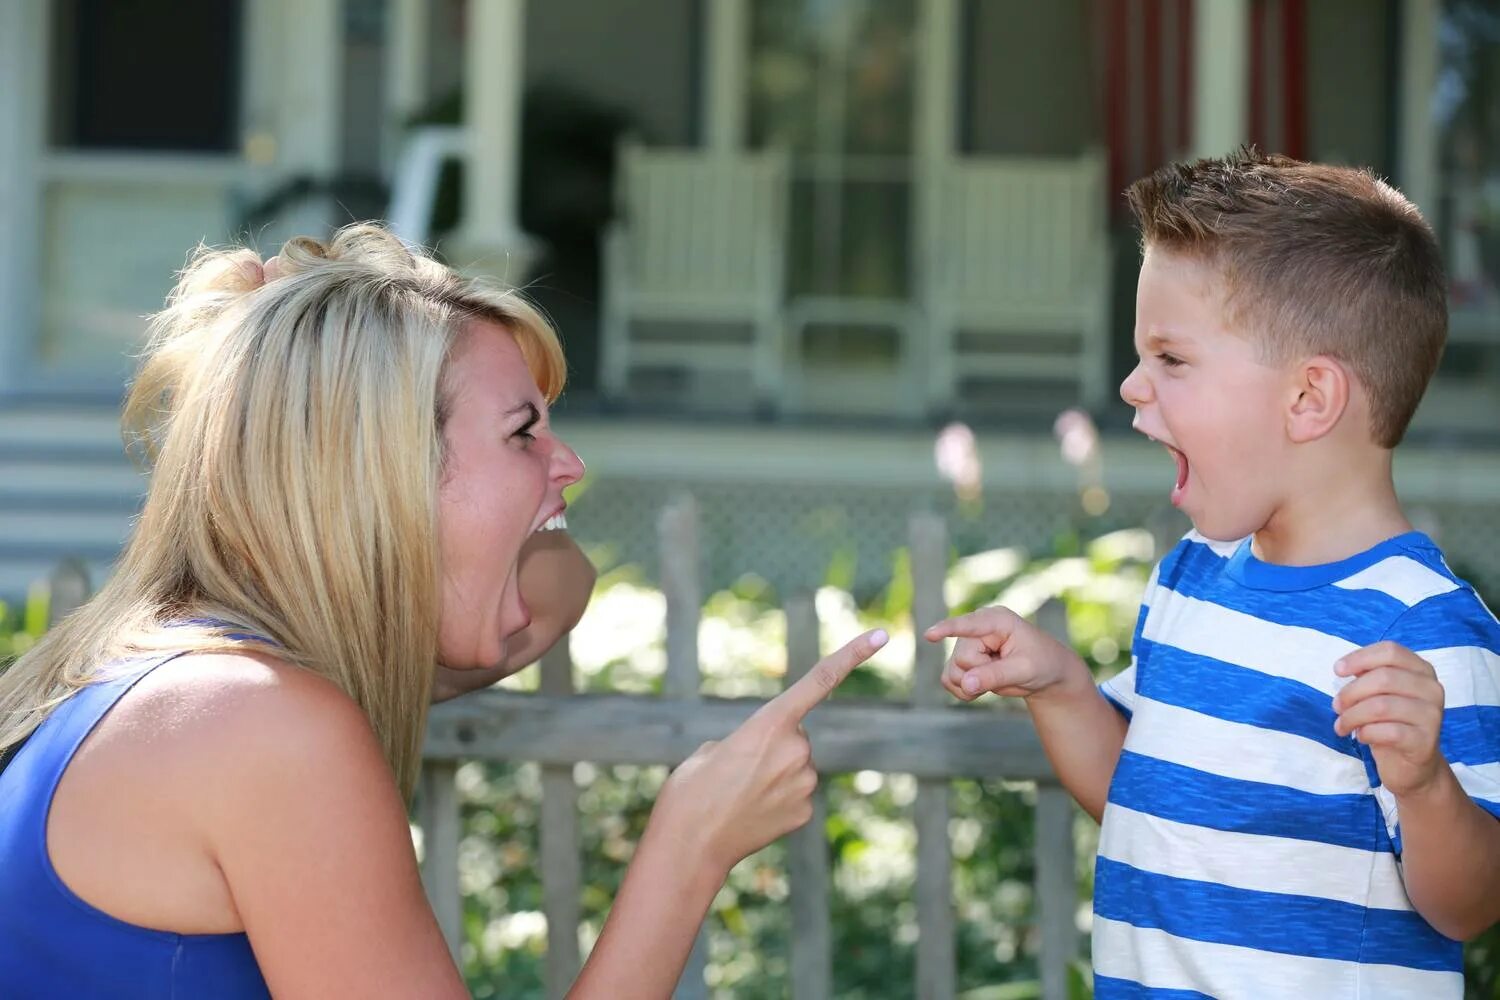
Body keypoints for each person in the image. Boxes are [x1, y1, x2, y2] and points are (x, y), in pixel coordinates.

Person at [0, 223, 887, 998]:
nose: (569, 461)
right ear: (380, 474)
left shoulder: (177, 675)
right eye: (523, 432)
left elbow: (553, 588)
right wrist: (691, 847)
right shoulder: (260, 725)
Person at [926, 149, 1500, 998]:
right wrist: (1060, 689)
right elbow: (1145, 806)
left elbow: (1469, 906)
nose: (1130, 386)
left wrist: (1424, 786)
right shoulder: (1192, 580)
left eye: (1171, 358)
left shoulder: (1422, 631)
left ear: (1309, 399)